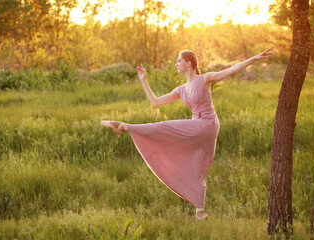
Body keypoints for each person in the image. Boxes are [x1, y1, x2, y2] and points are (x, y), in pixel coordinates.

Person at [100, 49, 273, 220]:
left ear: (188, 63)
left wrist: (254, 58)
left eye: (178, 61)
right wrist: (144, 80)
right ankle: (200, 210)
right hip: (197, 126)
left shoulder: (204, 79)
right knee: (199, 163)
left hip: (208, 124)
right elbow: (155, 102)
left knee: (164, 127)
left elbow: (231, 70)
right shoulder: (181, 89)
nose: (176, 64)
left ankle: (125, 126)